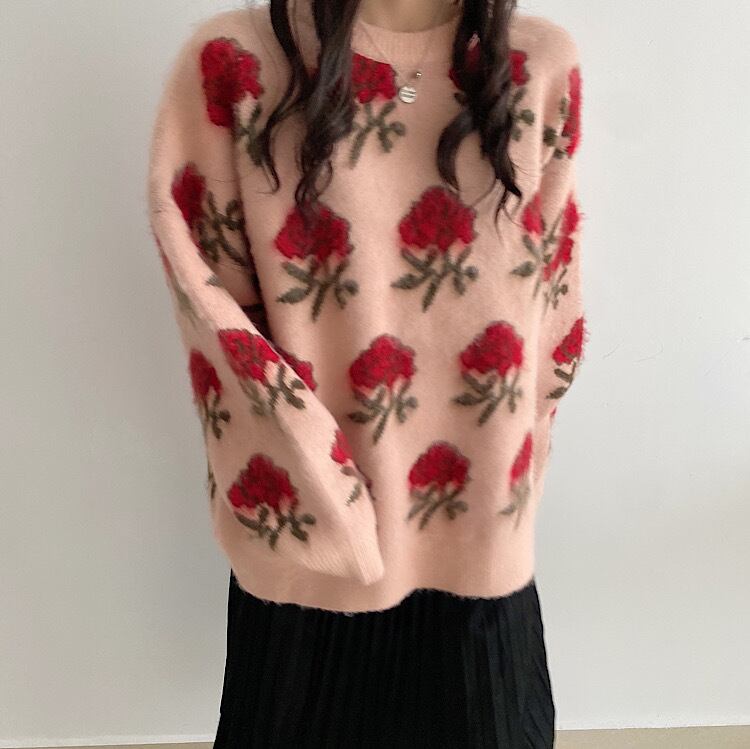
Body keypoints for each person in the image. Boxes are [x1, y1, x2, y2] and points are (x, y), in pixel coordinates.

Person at [146, 0, 587, 745]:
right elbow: (216, 320)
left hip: (480, 544)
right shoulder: (236, 65)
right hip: (311, 559)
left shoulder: (537, 65)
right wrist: (328, 509)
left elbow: (554, 315)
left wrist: (508, 502)